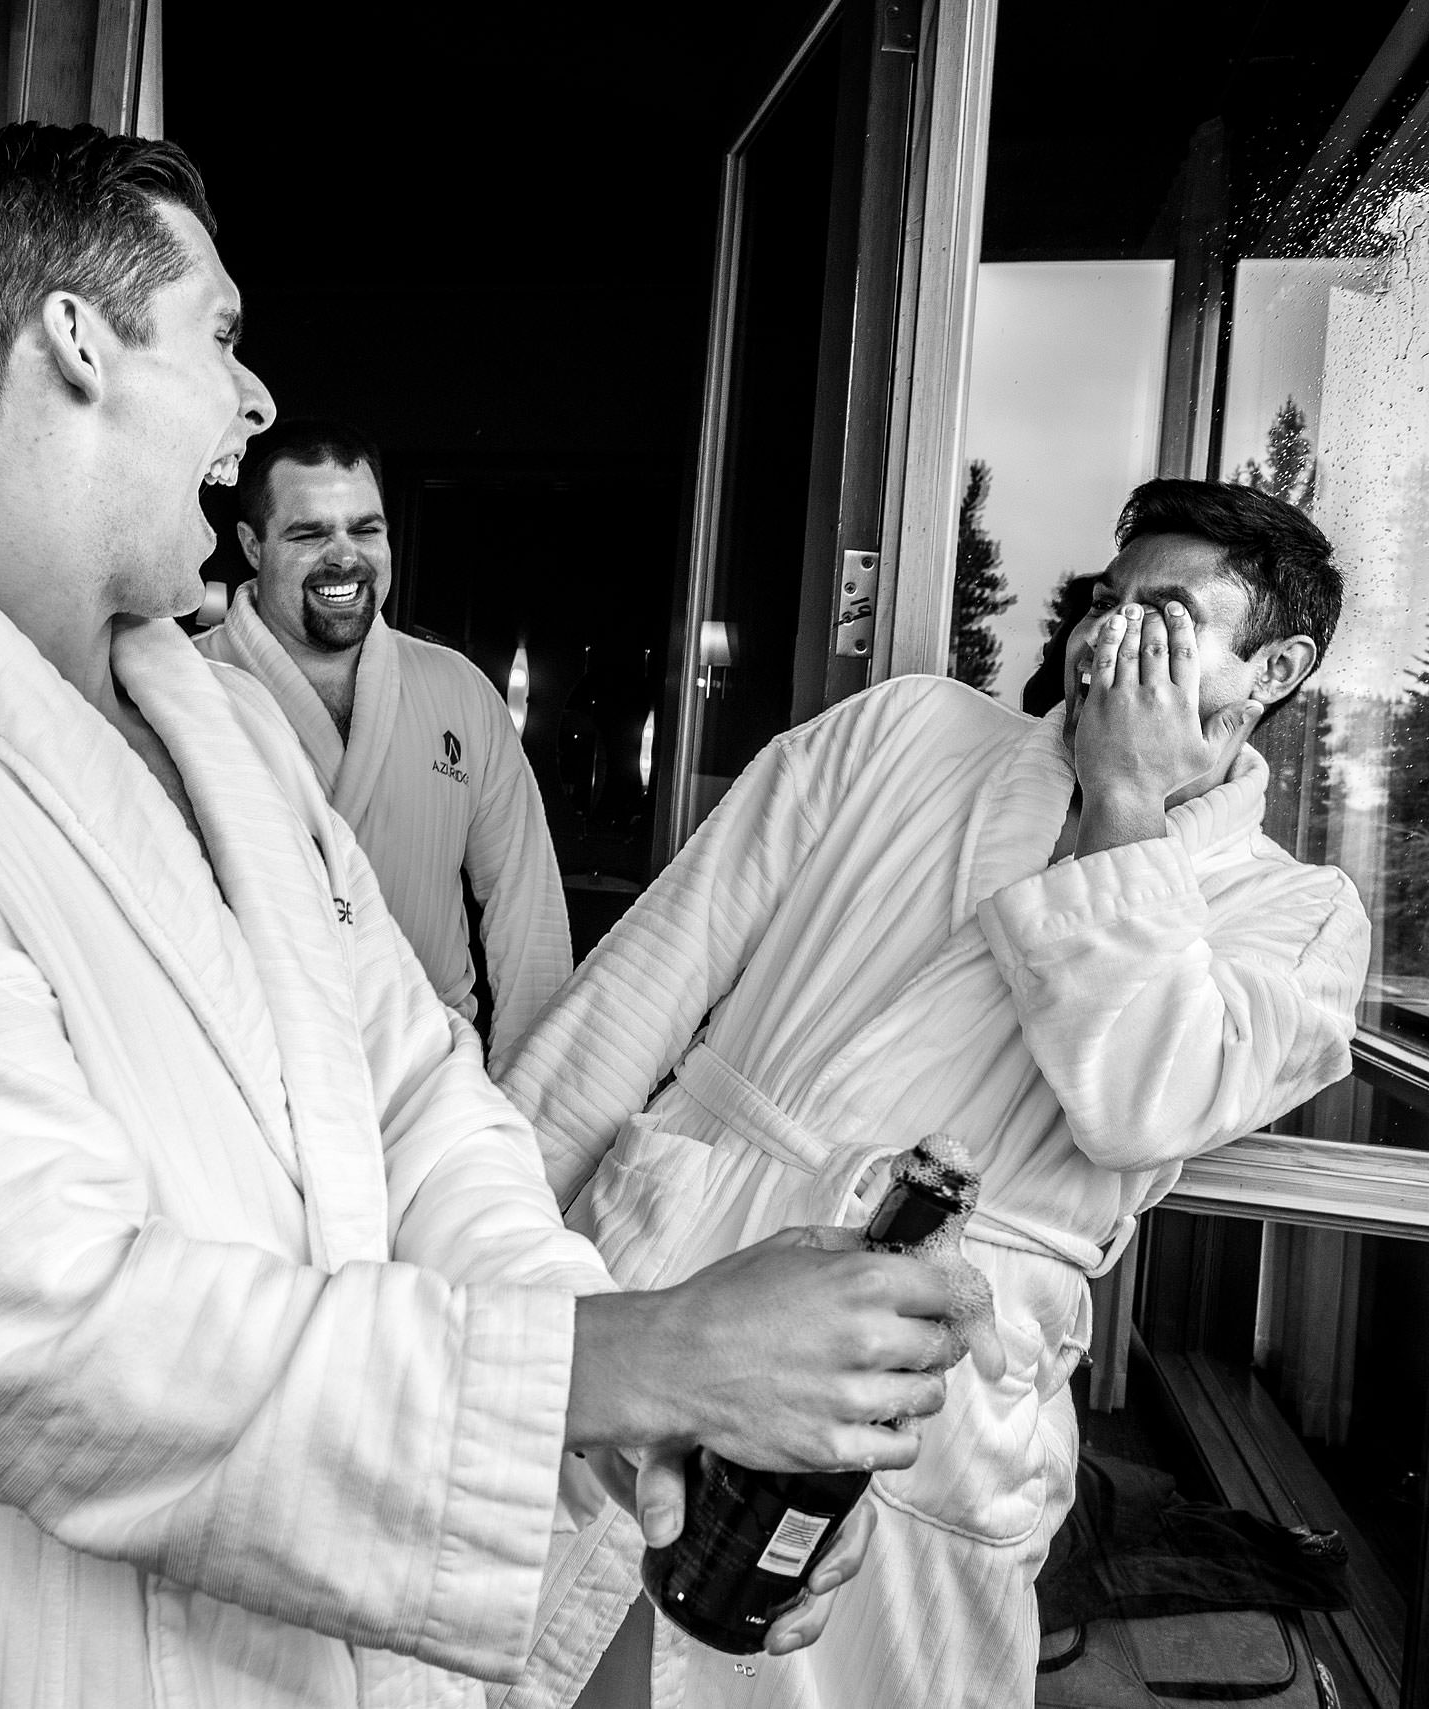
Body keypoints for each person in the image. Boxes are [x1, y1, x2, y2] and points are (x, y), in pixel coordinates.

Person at [0, 122, 967, 1708]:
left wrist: (619, 1390)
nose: (254, 402)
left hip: (336, 1629)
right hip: (30, 1648)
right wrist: (630, 1359)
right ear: (75, 340)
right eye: (221, 335)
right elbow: (59, 1335)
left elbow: (416, 1089)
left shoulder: (222, 727)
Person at [500, 479, 1368, 1709]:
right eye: (1105, 604)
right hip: (676, 1260)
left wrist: (1126, 799)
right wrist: (474, 1261)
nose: (1108, 643)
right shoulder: (903, 730)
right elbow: (635, 992)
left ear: (1272, 667)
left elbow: (1139, 1096)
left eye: (1164, 620)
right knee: (516, 1651)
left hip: (935, 1384)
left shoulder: (1301, 914)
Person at [196, 421, 571, 1058]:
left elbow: (524, 904)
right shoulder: (188, 691)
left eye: (365, 530)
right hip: (254, 1073)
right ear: (251, 545)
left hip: (435, 1072)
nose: (344, 556)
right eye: (309, 533)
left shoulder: (459, 691)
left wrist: (529, 1091)